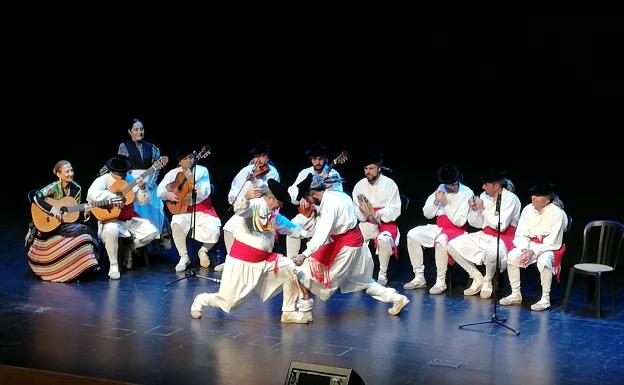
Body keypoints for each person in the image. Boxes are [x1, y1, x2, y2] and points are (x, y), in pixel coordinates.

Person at [190, 179, 311, 323]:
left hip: (264, 261)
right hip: (241, 262)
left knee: (290, 269)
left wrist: (307, 234)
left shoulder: (274, 214)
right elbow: (240, 209)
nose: (281, 206)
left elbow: (289, 227)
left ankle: (288, 312)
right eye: (280, 202)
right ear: (270, 198)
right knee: (228, 302)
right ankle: (201, 299)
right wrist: (246, 197)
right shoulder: (255, 205)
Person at [291, 174, 409, 318]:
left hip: (345, 247)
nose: (310, 202)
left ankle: (304, 311)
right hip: (357, 244)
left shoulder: (330, 205)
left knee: (304, 272)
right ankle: (397, 299)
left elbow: (322, 233)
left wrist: (304, 254)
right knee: (364, 282)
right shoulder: (340, 195)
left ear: (315, 194)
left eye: (309, 198)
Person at [447, 170, 521, 299]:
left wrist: (482, 209)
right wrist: (474, 210)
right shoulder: (484, 196)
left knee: (492, 251)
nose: (482, 187)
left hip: (503, 238)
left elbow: (501, 226)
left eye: (486, 184)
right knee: (452, 245)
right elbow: (477, 223)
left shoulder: (510, 198)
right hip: (485, 234)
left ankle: (488, 280)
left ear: (496, 185)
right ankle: (477, 277)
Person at [404, 164, 474, 294]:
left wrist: (446, 204)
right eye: (449, 185)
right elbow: (427, 214)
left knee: (441, 239)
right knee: (412, 234)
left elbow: (460, 222)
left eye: (455, 183)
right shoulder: (441, 188)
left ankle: (441, 282)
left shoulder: (467, 192)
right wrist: (436, 202)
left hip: (456, 230)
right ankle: (419, 277)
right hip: (439, 227)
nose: (452, 187)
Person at [499, 181, 568, 311]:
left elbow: (553, 241)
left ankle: (545, 298)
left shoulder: (557, 213)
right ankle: (515, 293)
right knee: (513, 255)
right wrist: (525, 249)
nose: (533, 198)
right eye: (533, 195)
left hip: (550, 248)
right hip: (530, 246)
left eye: (538, 196)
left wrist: (533, 251)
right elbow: (521, 233)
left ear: (547, 200)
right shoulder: (528, 209)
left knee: (544, 259)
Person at [87, 155, 159, 279]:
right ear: (114, 172)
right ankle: (114, 265)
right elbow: (92, 195)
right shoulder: (103, 180)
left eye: (125, 173)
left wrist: (142, 187)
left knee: (152, 231)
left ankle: (129, 247)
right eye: (121, 173)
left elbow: (142, 201)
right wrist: (113, 197)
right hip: (111, 220)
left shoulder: (129, 179)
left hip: (129, 220)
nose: (124, 175)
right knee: (111, 230)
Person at [26, 160, 99, 282]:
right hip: (50, 223)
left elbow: (73, 213)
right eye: (67, 171)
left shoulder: (76, 188)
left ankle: (84, 268)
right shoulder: (54, 187)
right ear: (59, 174)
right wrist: (51, 209)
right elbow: (36, 196)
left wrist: (85, 212)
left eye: (72, 170)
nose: (71, 173)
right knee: (82, 231)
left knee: (86, 232)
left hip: (65, 225)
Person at [214, 141, 280, 272]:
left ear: (268, 157)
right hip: (247, 208)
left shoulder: (273, 173)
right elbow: (233, 191)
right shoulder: (246, 171)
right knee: (228, 228)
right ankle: (231, 260)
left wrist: (255, 180)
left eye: (262, 156)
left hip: (264, 210)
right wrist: (241, 197)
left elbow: (269, 192)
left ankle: (250, 262)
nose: (259, 160)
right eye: (256, 156)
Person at [157, 145, 221, 272]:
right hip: (183, 210)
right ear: (180, 161)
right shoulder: (172, 173)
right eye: (185, 158)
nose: (189, 160)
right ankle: (184, 257)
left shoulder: (202, 171)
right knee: (176, 223)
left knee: (215, 229)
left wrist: (193, 182)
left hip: (202, 209)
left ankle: (203, 250)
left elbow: (206, 192)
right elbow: (159, 190)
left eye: (190, 157)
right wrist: (167, 194)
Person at [117, 118, 169, 252]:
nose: (139, 132)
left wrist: (149, 185)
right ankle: (132, 243)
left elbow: (155, 168)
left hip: (149, 182)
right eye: (136, 129)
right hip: (131, 181)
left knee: (154, 204)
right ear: (130, 131)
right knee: (136, 204)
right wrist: (133, 184)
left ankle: (152, 239)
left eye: (141, 129)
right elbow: (123, 168)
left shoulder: (152, 147)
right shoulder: (124, 146)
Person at [351, 152, 401, 286]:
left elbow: (395, 209)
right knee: (356, 239)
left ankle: (382, 274)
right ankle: (360, 273)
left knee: (384, 239)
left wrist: (377, 214)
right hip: (366, 221)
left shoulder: (390, 184)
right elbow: (356, 209)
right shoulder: (359, 185)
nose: (368, 172)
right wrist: (363, 212)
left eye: (371, 168)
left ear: (379, 168)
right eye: (366, 169)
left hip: (384, 222)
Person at [286, 142, 344, 257]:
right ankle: (291, 262)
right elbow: (292, 192)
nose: (317, 162)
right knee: (292, 226)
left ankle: (318, 266)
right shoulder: (305, 172)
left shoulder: (333, 174)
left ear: (325, 159)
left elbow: (338, 199)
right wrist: (301, 197)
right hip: (308, 214)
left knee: (322, 233)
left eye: (320, 159)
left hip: (326, 215)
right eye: (314, 159)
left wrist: (328, 186)